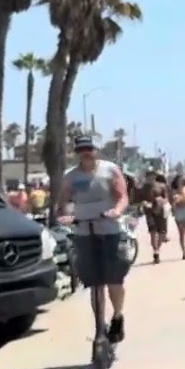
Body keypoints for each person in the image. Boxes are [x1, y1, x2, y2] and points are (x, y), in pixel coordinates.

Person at [58, 135, 130, 343]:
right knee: (94, 282)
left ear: (96, 150)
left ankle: (117, 316)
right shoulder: (70, 176)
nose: (86, 152)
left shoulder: (109, 170)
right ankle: (100, 324)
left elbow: (122, 195)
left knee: (114, 280)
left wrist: (116, 211)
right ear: (77, 153)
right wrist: (65, 214)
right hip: (83, 230)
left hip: (109, 229)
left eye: (89, 148)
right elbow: (64, 200)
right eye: (82, 149)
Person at [138, 168, 170, 264]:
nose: (151, 177)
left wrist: (161, 200)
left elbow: (166, 199)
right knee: (153, 232)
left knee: (161, 233)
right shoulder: (144, 187)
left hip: (160, 211)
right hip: (149, 211)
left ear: (155, 176)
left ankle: (158, 249)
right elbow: (139, 199)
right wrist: (144, 203)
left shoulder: (162, 186)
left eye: (152, 175)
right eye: (149, 175)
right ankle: (155, 251)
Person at [170, 174, 185, 259]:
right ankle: (184, 252)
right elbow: (173, 201)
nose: (181, 181)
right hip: (179, 211)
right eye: (179, 180)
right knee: (181, 233)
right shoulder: (174, 190)